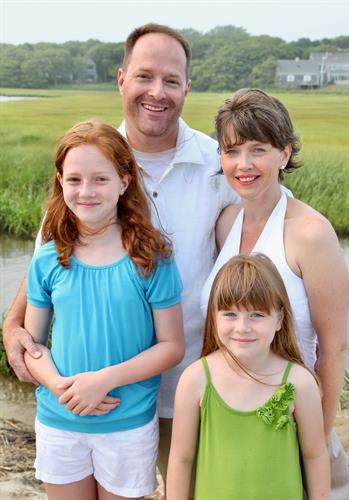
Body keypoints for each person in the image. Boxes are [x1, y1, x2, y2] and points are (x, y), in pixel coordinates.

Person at [3, 23, 237, 482]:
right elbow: (48, 263)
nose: (158, 92)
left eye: (171, 81)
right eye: (145, 76)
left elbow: (264, 236)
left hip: (194, 388)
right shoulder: (90, 159)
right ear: (121, 79)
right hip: (88, 403)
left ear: (187, 87)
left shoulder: (218, 165)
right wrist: (13, 324)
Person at [200, 88, 349, 499]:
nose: (243, 164)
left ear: (284, 154)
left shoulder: (311, 233)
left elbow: (333, 347)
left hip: (294, 426)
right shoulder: (226, 222)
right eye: (232, 151)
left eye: (258, 149)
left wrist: (315, 439)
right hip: (232, 427)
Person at [23, 120, 185, 499]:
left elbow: (172, 345)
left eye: (100, 179)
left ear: (124, 182)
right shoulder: (48, 259)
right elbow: (32, 344)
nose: (86, 192)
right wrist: (58, 385)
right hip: (59, 422)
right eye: (75, 180)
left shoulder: (151, 258)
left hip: (127, 425)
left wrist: (104, 380)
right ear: (60, 181)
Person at [167, 254, 330, 500]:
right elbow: (181, 458)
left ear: (279, 319)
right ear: (213, 316)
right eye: (230, 314)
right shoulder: (196, 379)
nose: (242, 327)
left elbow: (315, 455)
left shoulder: (298, 382)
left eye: (256, 314)